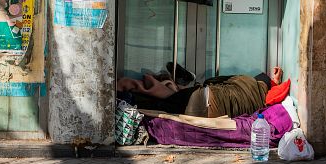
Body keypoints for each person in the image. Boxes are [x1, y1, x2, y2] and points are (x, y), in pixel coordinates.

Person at [117, 67, 283, 119]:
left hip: (203, 97)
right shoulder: (260, 103)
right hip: (208, 112)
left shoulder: (244, 80)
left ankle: (127, 94)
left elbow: (212, 81)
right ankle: (130, 100)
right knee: (162, 107)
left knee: (166, 98)